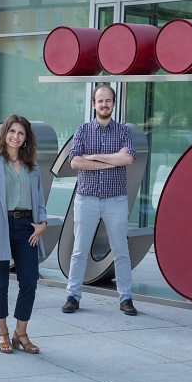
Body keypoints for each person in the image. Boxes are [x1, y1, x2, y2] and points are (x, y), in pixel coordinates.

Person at [0, 115, 47, 354]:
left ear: (26, 139)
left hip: (27, 228)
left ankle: (21, 332)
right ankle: (3, 332)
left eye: (21, 133)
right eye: (12, 131)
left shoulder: (32, 166)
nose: (16, 136)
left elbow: (40, 198)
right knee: (0, 283)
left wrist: (42, 223)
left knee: (29, 283)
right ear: (5, 134)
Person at [63, 84, 138, 316]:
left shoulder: (124, 131)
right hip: (87, 199)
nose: (104, 104)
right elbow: (75, 162)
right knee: (79, 250)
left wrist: (94, 157)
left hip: (115, 200)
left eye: (108, 101)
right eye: (100, 101)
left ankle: (126, 298)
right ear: (93, 104)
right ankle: (73, 296)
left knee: (121, 251)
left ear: (113, 104)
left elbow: (127, 158)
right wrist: (111, 160)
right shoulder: (83, 130)